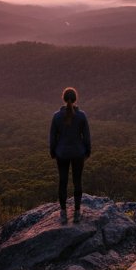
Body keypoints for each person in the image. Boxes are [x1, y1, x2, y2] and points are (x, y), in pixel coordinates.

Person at [49, 87, 91, 224]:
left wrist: (53, 152)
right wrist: (87, 151)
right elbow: (86, 137)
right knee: (77, 181)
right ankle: (77, 212)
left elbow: (52, 137)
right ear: (75, 99)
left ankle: (63, 213)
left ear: (64, 98)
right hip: (78, 153)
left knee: (63, 182)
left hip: (62, 153)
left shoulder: (57, 116)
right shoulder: (81, 116)